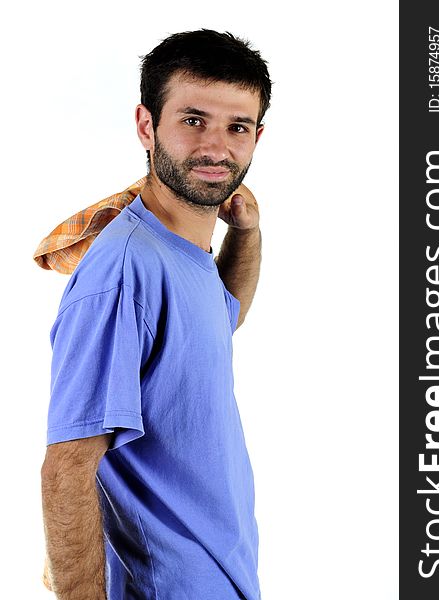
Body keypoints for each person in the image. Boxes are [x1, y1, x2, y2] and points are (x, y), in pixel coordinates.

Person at [40, 29, 271, 600]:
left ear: (257, 136)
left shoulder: (184, 252)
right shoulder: (124, 272)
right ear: (148, 125)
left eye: (236, 127)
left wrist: (246, 234)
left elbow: (220, 321)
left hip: (222, 578)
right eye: (194, 120)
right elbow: (67, 467)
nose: (216, 148)